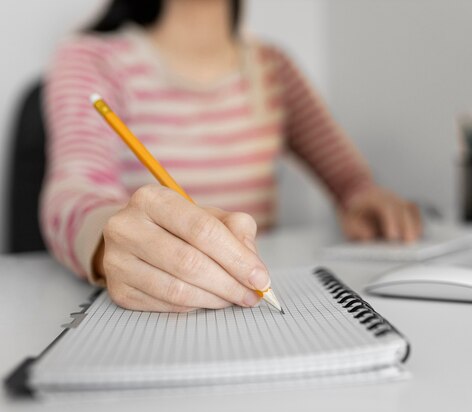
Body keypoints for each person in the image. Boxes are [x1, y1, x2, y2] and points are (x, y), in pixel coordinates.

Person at [41, 0, 421, 313]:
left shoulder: (274, 66)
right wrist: (110, 241)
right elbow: (70, 193)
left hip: (251, 303)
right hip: (156, 315)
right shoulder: (91, 59)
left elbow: (352, 181)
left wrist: (363, 199)